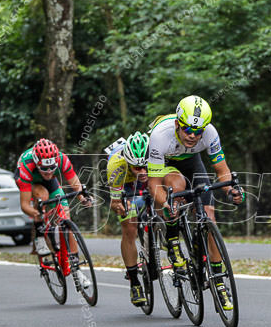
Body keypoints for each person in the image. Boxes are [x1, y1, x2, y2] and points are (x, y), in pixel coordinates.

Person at [146, 95, 244, 311]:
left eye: (197, 131)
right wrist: (166, 204)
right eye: (187, 129)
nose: (192, 135)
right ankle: (172, 237)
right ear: (177, 124)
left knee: (209, 217)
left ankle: (218, 279)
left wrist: (231, 190)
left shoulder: (210, 133)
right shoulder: (160, 136)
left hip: (192, 161)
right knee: (176, 188)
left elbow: (222, 170)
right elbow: (154, 185)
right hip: (165, 162)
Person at [15, 138, 93, 288]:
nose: (49, 172)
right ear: (37, 163)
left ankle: (76, 270)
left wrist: (84, 197)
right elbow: (24, 205)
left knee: (66, 218)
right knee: (43, 195)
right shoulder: (27, 164)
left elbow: (76, 185)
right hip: (30, 180)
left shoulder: (62, 159)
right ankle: (39, 236)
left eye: (52, 168)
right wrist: (36, 214)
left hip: (50, 183)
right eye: (45, 168)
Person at [105, 132, 151, 306]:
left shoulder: (156, 155)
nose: (142, 171)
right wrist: (122, 209)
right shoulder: (116, 165)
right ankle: (134, 282)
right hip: (125, 183)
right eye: (137, 168)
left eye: (145, 166)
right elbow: (115, 203)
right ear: (128, 162)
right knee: (130, 228)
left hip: (149, 180)